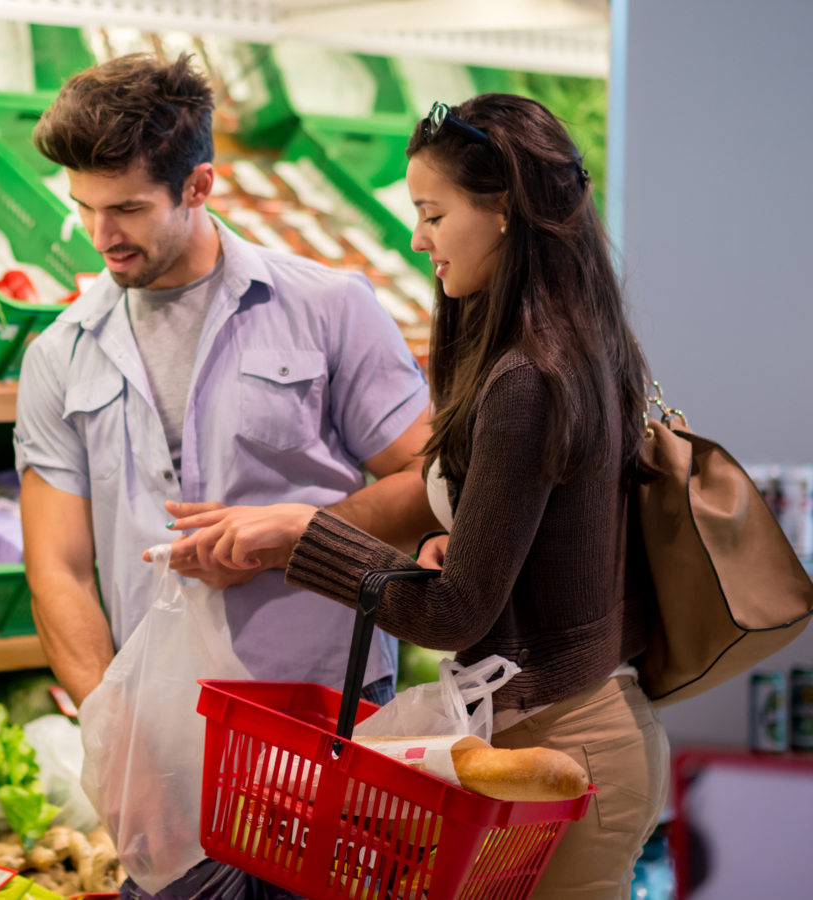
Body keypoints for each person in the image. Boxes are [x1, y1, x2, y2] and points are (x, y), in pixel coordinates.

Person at [168, 94, 669, 900]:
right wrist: (464, 539)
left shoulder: (524, 377)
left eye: (432, 213)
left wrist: (307, 533)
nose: (417, 238)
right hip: (563, 731)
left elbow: (455, 616)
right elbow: (561, 532)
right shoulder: (580, 342)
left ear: (502, 209)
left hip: (565, 752)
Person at [14, 54, 440, 899]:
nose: (104, 237)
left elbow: (430, 480)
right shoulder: (60, 354)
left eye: (129, 207)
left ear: (199, 184)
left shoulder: (328, 308)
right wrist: (113, 730)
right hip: (163, 746)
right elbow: (56, 567)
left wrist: (296, 536)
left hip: (324, 723)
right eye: (85, 209)